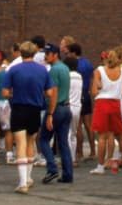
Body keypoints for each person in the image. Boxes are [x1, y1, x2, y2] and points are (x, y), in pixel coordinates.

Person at [5, 40, 53, 195]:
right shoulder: (43, 70)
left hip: (19, 107)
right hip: (35, 108)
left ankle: (22, 182)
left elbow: (5, 92)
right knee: (31, 141)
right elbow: (50, 93)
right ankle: (29, 177)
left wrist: (14, 94)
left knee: (20, 143)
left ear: (20, 52)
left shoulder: (14, 69)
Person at [38, 42, 74, 185]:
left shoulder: (53, 70)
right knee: (63, 142)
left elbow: (53, 93)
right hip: (66, 107)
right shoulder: (65, 68)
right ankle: (68, 173)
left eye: (48, 54)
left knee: (44, 139)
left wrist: (50, 114)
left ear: (55, 55)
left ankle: (52, 168)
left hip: (56, 108)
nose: (46, 56)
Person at [90, 49, 122, 175]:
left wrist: (100, 88)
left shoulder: (99, 71)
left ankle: (100, 166)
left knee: (102, 137)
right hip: (116, 103)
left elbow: (94, 92)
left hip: (102, 103)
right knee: (121, 135)